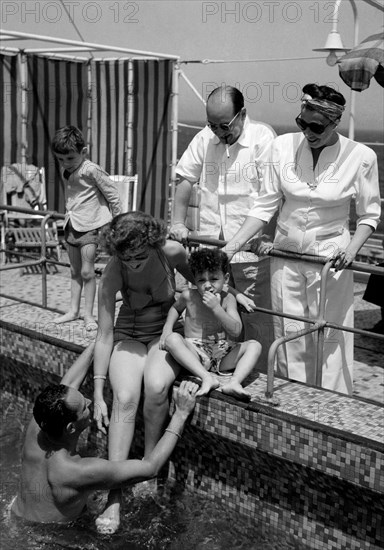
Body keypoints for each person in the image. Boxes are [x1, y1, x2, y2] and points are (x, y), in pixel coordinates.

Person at [93, 211, 255, 534]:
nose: (135, 263)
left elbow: (204, 281)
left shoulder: (172, 252)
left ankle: (150, 468)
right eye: (128, 258)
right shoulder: (111, 273)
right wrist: (98, 392)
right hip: (129, 336)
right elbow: (104, 335)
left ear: (153, 244)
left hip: (163, 337)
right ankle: (115, 493)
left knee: (156, 386)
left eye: (141, 256)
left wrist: (234, 295)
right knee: (124, 397)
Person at [223, 83, 381, 395]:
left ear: (334, 123)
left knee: (330, 334)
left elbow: (369, 215)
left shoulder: (361, 157)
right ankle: (294, 395)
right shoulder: (281, 147)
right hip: (285, 255)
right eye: (302, 123)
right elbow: (265, 205)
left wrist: (351, 250)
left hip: (331, 259)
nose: (308, 132)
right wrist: (231, 248)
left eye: (317, 127)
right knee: (288, 328)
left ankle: (333, 400)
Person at [11, 342, 199, 524]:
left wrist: (99, 342)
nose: (89, 401)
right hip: (49, 539)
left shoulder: (39, 426)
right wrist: (180, 415)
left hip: (14, 518)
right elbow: (151, 468)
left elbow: (68, 384)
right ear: (71, 428)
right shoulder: (77, 470)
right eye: (84, 406)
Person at [169, 85, 276, 368]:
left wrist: (251, 241)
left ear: (242, 114)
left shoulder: (262, 138)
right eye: (212, 125)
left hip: (247, 248)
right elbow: (184, 178)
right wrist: (178, 222)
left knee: (253, 315)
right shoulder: (206, 137)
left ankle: (256, 375)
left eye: (224, 125)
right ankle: (211, 366)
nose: (218, 132)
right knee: (208, 310)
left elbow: (270, 197)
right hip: (211, 247)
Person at [160, 248, 262, 401]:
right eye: (201, 280)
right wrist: (167, 329)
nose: (207, 285)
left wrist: (217, 309)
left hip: (223, 353)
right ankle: (206, 377)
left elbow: (236, 330)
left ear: (225, 278)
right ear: (195, 280)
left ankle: (234, 383)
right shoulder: (189, 296)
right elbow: (175, 309)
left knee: (255, 345)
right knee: (172, 339)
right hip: (196, 353)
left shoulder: (228, 299)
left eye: (214, 279)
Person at [51, 125, 122, 329]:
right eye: (60, 159)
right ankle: (73, 310)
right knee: (74, 271)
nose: (65, 163)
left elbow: (113, 195)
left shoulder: (91, 169)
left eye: (70, 158)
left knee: (87, 272)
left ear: (83, 152)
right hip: (72, 224)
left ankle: (88, 315)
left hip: (90, 227)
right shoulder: (69, 169)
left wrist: (118, 223)